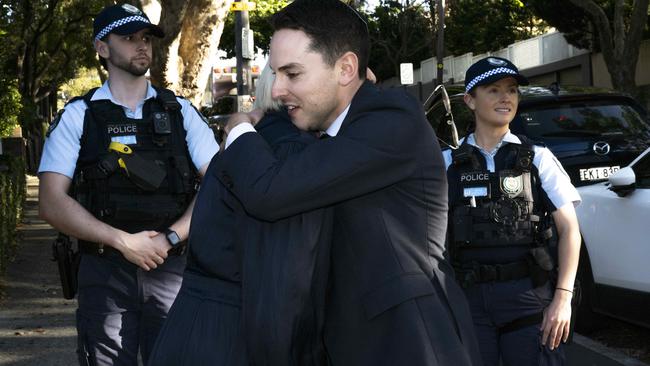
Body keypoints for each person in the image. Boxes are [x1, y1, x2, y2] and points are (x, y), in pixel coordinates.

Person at [219, 1, 482, 365]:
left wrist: (239, 129)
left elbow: (269, 191)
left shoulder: (390, 120)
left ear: (346, 68)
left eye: (292, 74)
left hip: (410, 343)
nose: (277, 90)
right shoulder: (336, 132)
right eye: (276, 74)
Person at [38, 4, 218, 365]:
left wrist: (170, 238)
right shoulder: (79, 115)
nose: (141, 46)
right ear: (102, 48)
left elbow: (219, 187)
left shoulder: (180, 112)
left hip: (173, 270)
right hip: (105, 273)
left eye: (146, 38)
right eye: (128, 38)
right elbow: (52, 202)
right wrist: (122, 241)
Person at [147, 62, 332, 366]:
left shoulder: (243, 143)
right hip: (238, 330)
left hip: (192, 325)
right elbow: (287, 278)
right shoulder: (290, 151)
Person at [442, 56, 582, 366]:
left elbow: (570, 230)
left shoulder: (538, 158)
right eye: (493, 90)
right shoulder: (447, 163)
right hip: (468, 301)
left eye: (512, 90)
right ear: (469, 100)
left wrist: (563, 298)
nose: (506, 97)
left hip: (529, 300)